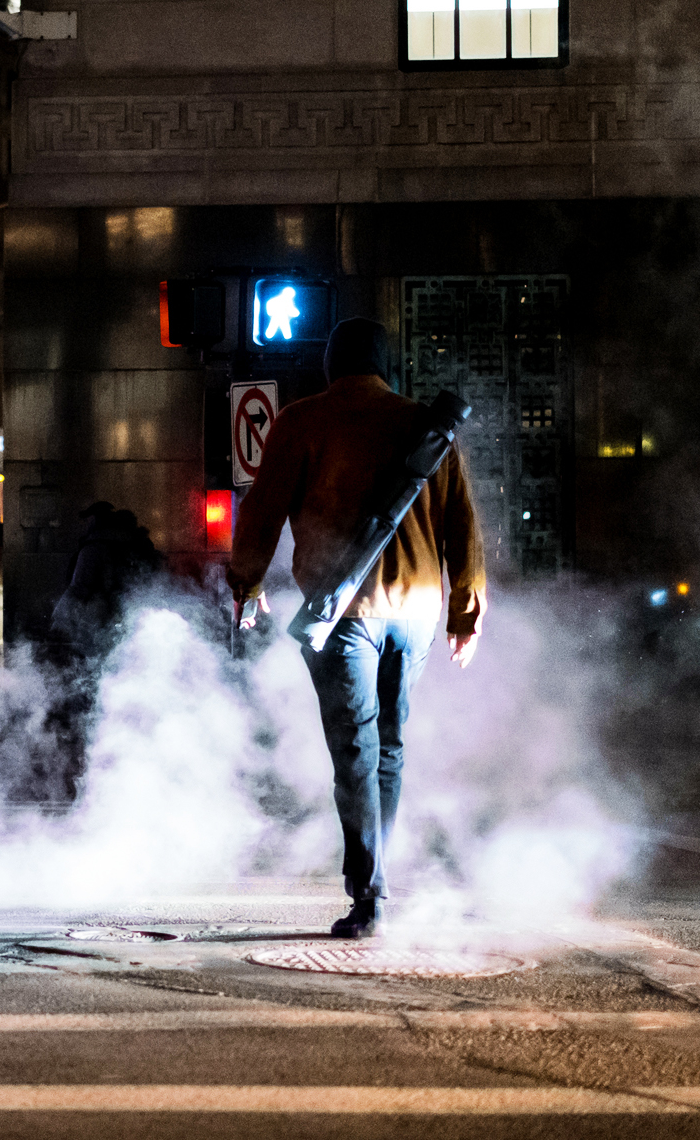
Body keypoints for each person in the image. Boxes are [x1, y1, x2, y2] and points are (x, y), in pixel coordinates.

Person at [230, 318, 485, 940]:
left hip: (343, 615)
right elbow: (463, 526)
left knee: (354, 752)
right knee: (390, 750)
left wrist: (249, 585)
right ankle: (377, 877)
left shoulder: (302, 421)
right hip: (418, 613)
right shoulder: (428, 425)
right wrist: (465, 615)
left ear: (330, 365)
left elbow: (262, 511)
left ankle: (369, 895)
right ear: (384, 365)